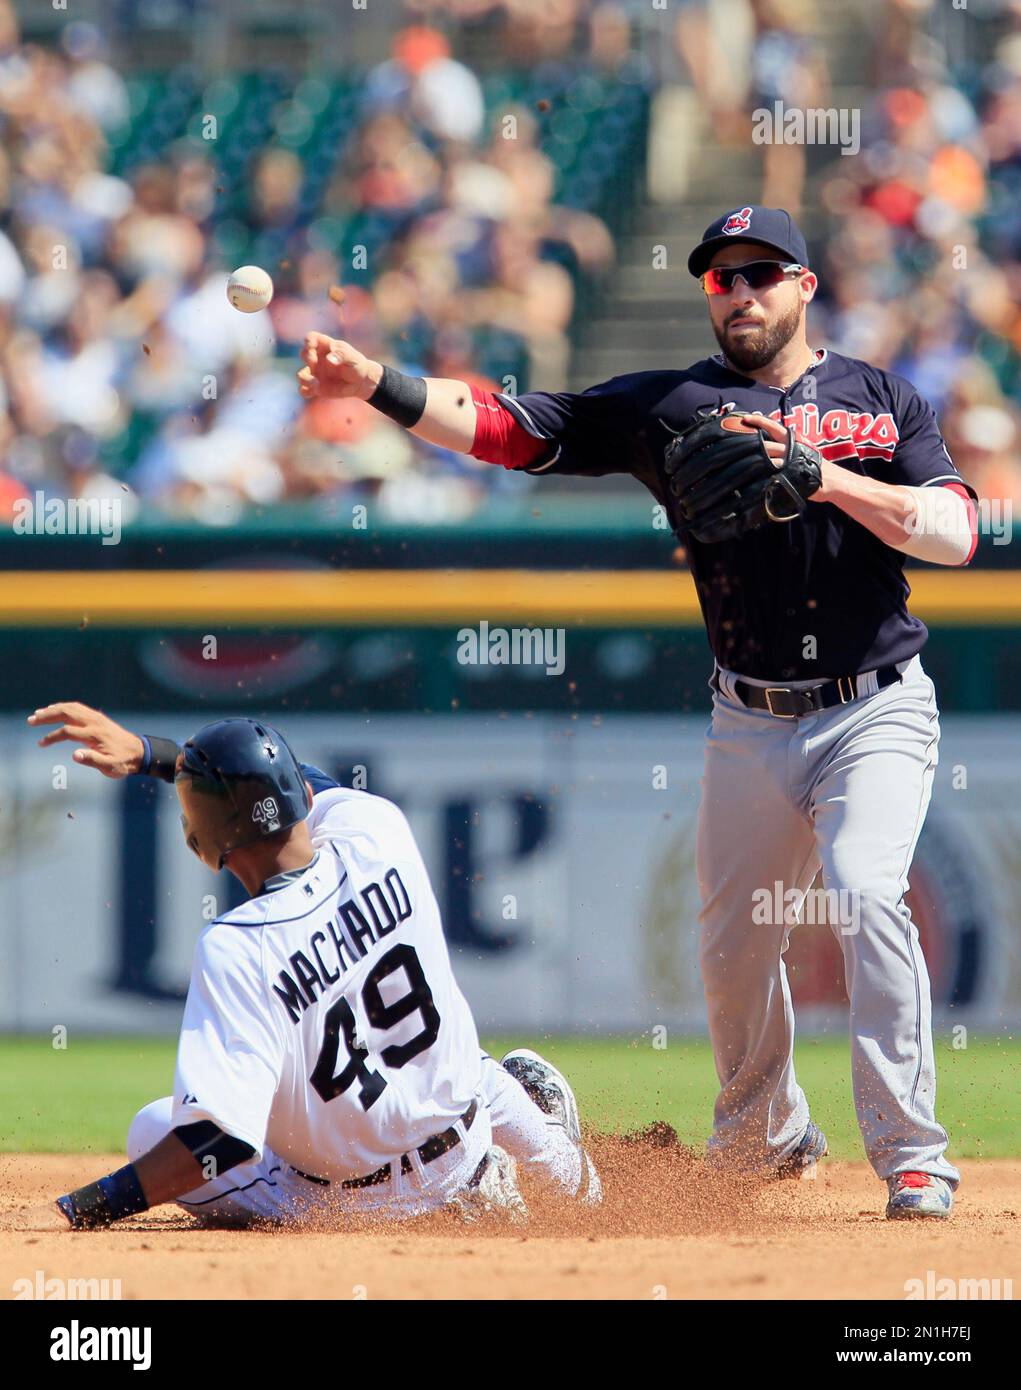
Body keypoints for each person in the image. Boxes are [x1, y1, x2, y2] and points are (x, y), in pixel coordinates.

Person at [296, 204, 978, 1221]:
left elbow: (957, 531)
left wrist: (823, 478)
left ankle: (913, 1156)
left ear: (804, 286)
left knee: (866, 890)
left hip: (872, 706)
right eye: (719, 279)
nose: (738, 293)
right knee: (731, 945)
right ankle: (765, 1137)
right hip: (748, 717)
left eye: (759, 273)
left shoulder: (881, 401)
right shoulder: (673, 405)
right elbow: (509, 430)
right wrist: (379, 387)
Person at [5, 703, 600, 1232]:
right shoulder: (377, 828)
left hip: (353, 1205)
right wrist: (152, 754)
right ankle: (556, 1162)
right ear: (305, 799)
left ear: (201, 845)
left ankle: (496, 1176)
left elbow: (217, 1143)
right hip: (467, 1124)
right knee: (465, 1068)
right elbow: (292, 782)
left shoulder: (235, 944)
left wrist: (83, 1206)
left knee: (153, 1129)